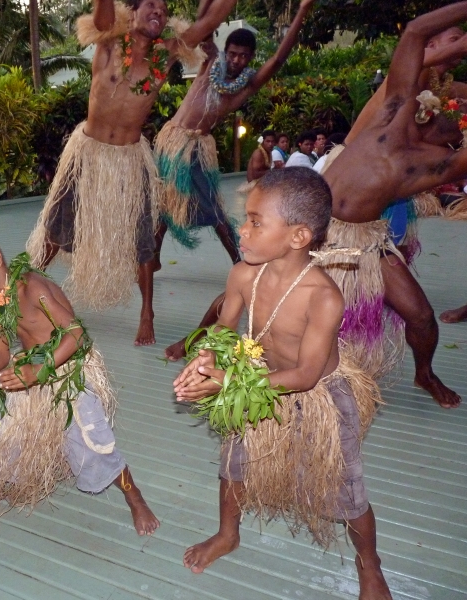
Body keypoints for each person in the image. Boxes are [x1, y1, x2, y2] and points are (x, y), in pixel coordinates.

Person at [173, 168, 390, 599]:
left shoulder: (322, 296)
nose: (242, 229)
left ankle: (370, 564)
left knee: (346, 489)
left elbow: (306, 374)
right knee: (233, 462)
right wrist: (207, 357)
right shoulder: (242, 274)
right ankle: (228, 533)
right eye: (246, 219)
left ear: (298, 236)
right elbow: (224, 328)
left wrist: (228, 384)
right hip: (253, 380)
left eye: (256, 221)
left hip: (318, 397)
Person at [26, 0, 237, 347]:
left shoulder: (166, 54)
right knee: (57, 227)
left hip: (129, 159)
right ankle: (24, 290)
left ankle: (146, 314)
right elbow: (103, 14)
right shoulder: (110, 41)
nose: (159, 12)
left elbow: (212, 18)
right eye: (151, 4)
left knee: (143, 238)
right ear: (133, 11)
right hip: (88, 154)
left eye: (164, 10)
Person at [0, 229, 160, 535]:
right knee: (7, 432)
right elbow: (0, 355)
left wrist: (38, 372)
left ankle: (134, 497)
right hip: (31, 371)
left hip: (67, 371)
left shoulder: (33, 288)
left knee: (90, 444)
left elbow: (76, 335)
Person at [319, 2, 467, 409]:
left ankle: (425, 373)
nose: (449, 115)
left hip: (368, 243)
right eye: (447, 109)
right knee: (267, 290)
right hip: (315, 231)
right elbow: (416, 31)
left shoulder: (429, 165)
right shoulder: (392, 111)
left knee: (420, 315)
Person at [149, 0, 314, 343]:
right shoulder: (211, 63)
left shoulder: (247, 85)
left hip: (197, 149)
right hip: (171, 143)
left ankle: (241, 261)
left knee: (215, 212)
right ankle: (155, 259)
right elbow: (204, 22)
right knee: (165, 208)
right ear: (226, 51)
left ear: (250, 59)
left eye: (244, 57)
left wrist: (301, 10)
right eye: (234, 54)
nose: (237, 60)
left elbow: (278, 60)